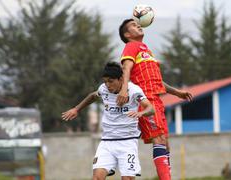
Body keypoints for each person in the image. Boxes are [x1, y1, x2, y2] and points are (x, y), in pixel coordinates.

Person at [117, 19, 193, 180]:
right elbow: (126, 68)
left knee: (165, 143)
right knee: (158, 139)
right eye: (133, 26)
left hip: (157, 100)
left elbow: (156, 80)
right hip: (145, 100)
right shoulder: (131, 46)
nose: (138, 25)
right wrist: (124, 89)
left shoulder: (147, 51)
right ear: (127, 34)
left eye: (138, 24)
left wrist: (176, 92)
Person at [62, 62, 155, 180]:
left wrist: (140, 113)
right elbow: (92, 96)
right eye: (105, 81)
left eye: (110, 81)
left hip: (127, 142)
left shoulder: (133, 90)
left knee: (127, 179)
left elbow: (151, 108)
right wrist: (76, 109)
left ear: (121, 79)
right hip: (107, 142)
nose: (107, 85)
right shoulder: (103, 89)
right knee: (96, 178)